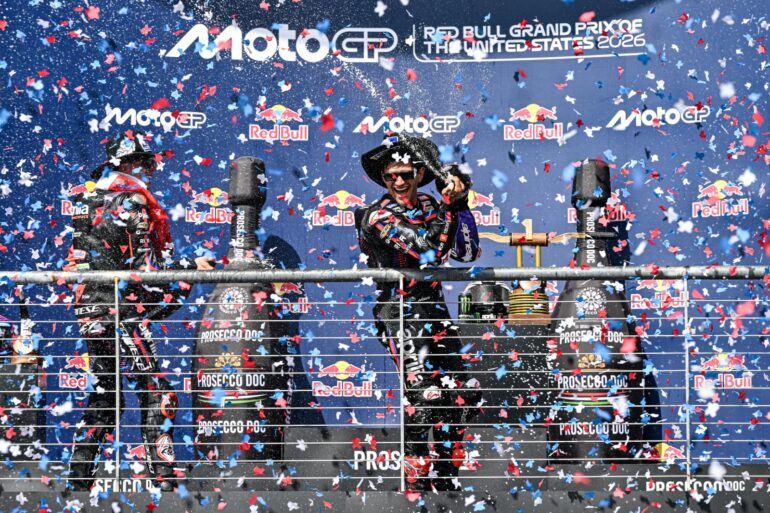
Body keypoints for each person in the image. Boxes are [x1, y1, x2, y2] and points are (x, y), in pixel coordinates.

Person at [64, 131, 214, 491]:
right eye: (147, 162)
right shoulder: (132, 200)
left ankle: (77, 481)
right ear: (129, 164)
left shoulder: (86, 198)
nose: (151, 168)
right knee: (158, 392)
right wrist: (190, 267)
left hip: (90, 310)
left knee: (107, 396)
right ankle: (163, 478)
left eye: (152, 162)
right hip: (122, 312)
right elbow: (145, 270)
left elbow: (81, 262)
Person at [355, 134, 482, 491]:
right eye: (390, 176)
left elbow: (467, 253)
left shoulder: (431, 204)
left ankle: (446, 478)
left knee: (462, 395)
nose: (398, 182)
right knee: (424, 399)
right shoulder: (375, 216)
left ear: (420, 174)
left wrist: (460, 204)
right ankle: (413, 485)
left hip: (435, 309)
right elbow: (428, 253)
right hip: (398, 312)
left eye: (405, 174)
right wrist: (449, 208)